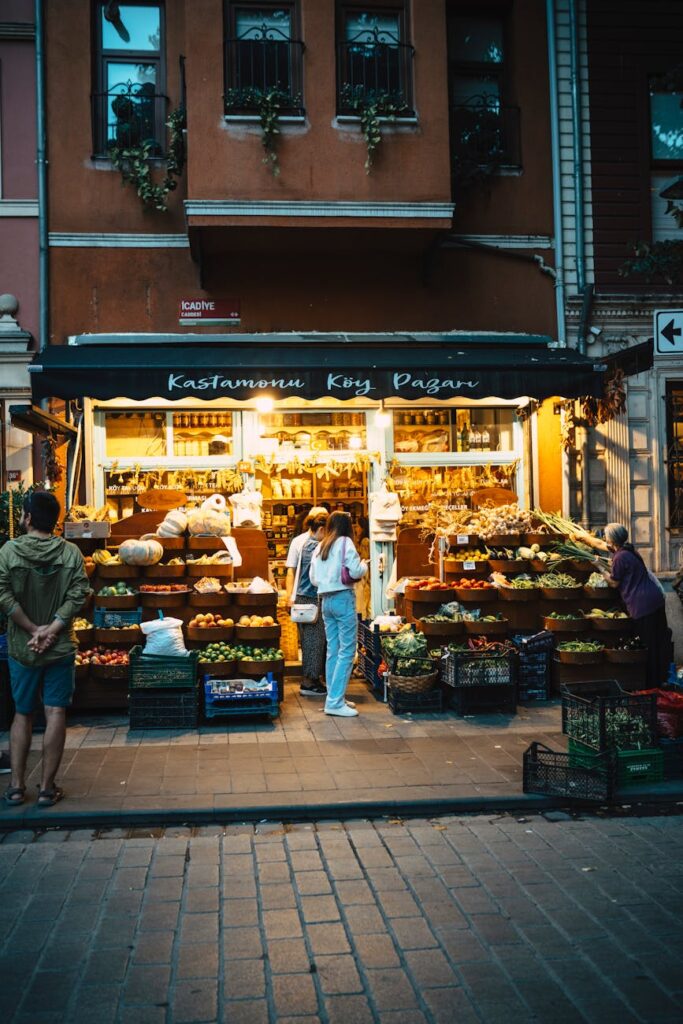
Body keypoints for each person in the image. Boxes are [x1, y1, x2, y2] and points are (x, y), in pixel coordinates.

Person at [0, 491, 90, 807]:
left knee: (22, 713)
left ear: (26, 517)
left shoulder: (8, 552)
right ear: (54, 521)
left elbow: (3, 595)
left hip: (23, 647)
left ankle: (15, 787)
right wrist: (52, 629)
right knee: (55, 712)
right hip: (59, 645)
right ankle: (47, 789)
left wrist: (31, 629)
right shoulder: (71, 554)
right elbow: (79, 594)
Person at [580, 522, 671, 687]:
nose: (605, 540)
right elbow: (600, 544)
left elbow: (614, 583)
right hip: (654, 599)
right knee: (657, 642)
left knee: (646, 645)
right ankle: (659, 680)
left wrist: (599, 566)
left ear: (613, 540)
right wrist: (583, 538)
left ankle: (649, 685)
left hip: (642, 605)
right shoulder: (628, 549)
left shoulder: (620, 557)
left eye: (607, 537)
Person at [310, 511, 367, 718]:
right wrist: (364, 566)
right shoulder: (345, 543)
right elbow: (355, 571)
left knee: (333, 650)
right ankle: (334, 702)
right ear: (347, 526)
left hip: (325, 599)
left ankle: (334, 698)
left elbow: (314, 578)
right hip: (343, 598)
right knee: (347, 650)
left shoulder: (321, 545)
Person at [285, 510, 328, 697]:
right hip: (307, 598)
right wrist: (289, 597)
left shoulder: (320, 542)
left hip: (314, 598)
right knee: (312, 641)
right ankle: (309, 682)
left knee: (315, 641)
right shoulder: (304, 543)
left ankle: (314, 678)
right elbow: (292, 571)